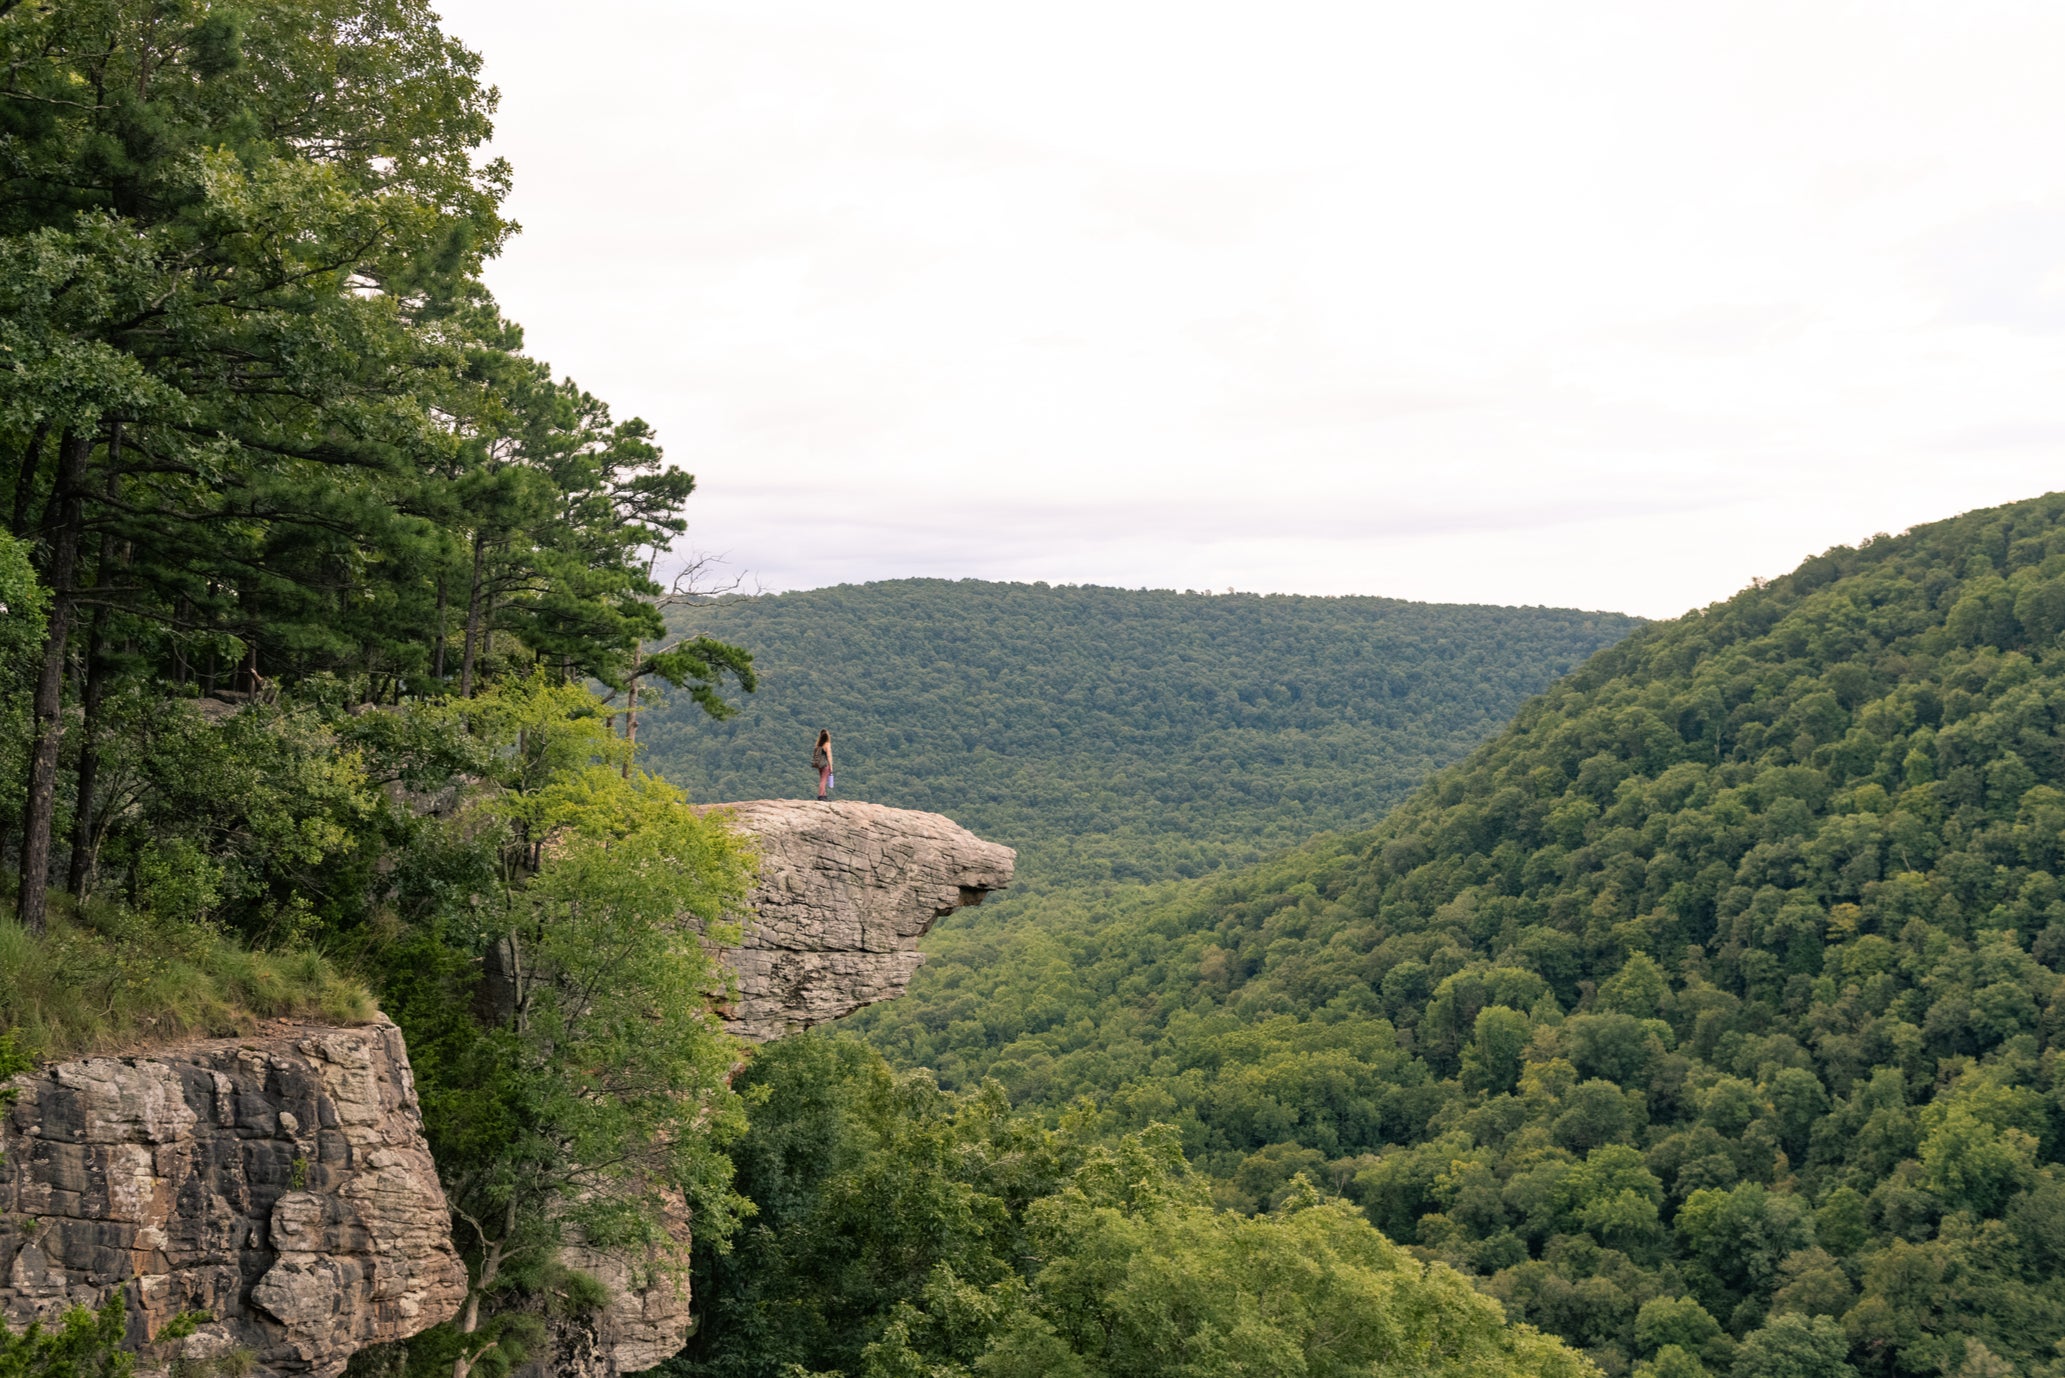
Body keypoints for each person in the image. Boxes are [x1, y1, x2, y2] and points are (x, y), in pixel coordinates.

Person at [812, 729, 834, 800]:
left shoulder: (818, 744)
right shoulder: (827, 744)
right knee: (823, 780)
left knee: (822, 779)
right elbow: (829, 756)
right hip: (825, 765)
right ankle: (821, 795)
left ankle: (824, 795)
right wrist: (831, 766)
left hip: (819, 765)